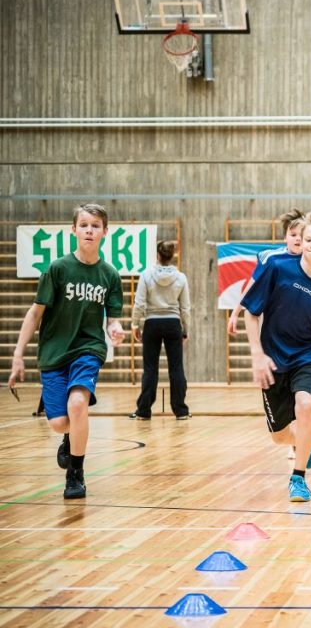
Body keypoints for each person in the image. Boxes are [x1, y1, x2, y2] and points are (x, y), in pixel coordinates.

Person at [7, 204, 125, 499]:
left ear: (104, 233)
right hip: (54, 352)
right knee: (60, 422)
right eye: (83, 225)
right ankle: (70, 437)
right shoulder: (57, 269)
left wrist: (115, 330)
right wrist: (18, 355)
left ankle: (76, 473)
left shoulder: (110, 276)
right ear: (73, 230)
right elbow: (35, 314)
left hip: (88, 349)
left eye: (95, 226)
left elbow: (113, 318)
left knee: (77, 405)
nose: (89, 230)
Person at [241, 211, 311, 502]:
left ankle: (298, 478)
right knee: (279, 436)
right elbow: (251, 313)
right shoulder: (276, 267)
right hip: (272, 360)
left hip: (304, 358)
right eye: (308, 239)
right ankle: (304, 442)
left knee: (306, 405)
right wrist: (257, 355)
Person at [130, 240, 192, 421]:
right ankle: (181, 411)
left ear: (158, 255)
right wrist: (185, 329)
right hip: (173, 324)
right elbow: (185, 308)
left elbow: (139, 303)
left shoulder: (146, 275)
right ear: (171, 256)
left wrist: (135, 324)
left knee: (150, 369)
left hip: (152, 324)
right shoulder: (180, 277)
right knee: (176, 368)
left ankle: (143, 411)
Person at [227, 208, 305, 335]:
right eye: (293, 234)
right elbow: (252, 285)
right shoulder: (271, 258)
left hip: (301, 324)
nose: (298, 239)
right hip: (271, 320)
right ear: (285, 237)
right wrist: (235, 313)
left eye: (302, 235)